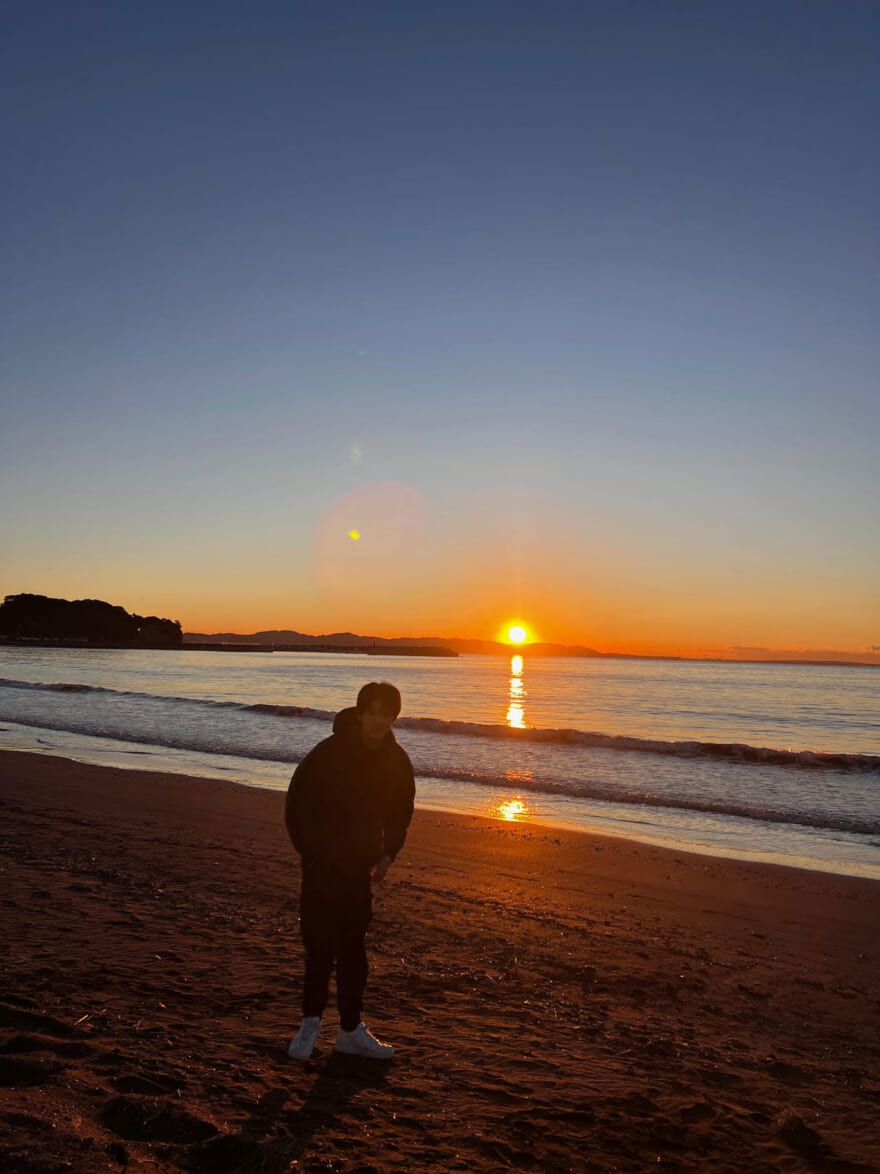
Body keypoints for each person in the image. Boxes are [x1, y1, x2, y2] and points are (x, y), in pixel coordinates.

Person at [284, 681, 415, 1061]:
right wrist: (310, 852)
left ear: (394, 717)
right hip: (321, 865)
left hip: (360, 868)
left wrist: (388, 854)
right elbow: (297, 801)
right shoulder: (329, 753)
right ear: (360, 714)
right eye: (372, 712)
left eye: (386, 713)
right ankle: (309, 1024)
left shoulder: (395, 760)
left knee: (354, 949)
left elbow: (400, 811)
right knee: (320, 948)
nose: (378, 720)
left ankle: (349, 1030)